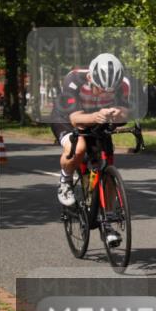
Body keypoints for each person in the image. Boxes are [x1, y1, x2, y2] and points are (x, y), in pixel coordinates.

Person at [50, 54, 130, 247]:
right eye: (101, 89)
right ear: (90, 79)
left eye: (110, 92)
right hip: (67, 119)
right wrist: (96, 115)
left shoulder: (123, 84)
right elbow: (75, 119)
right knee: (79, 148)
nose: (105, 95)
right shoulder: (74, 80)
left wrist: (118, 113)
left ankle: (108, 221)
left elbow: (125, 112)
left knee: (107, 170)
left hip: (98, 119)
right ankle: (65, 180)